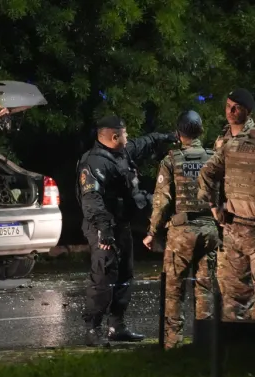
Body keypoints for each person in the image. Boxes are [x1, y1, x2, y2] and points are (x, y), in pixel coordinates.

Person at [76, 115, 178, 346]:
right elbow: (92, 200)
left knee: (124, 275)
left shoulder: (120, 153)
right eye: (124, 134)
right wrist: (104, 230)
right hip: (102, 227)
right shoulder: (94, 163)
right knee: (103, 277)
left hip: (120, 225)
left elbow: (142, 143)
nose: (128, 137)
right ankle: (92, 329)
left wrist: (166, 137)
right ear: (114, 137)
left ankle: (117, 326)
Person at [198, 102, 255, 320]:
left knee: (233, 298)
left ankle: (233, 348)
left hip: (233, 229)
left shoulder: (232, 144)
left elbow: (206, 173)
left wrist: (214, 207)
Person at [142, 110, 220, 349]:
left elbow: (162, 201)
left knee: (174, 290)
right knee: (205, 289)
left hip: (181, 233)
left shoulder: (171, 161)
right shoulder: (213, 157)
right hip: (210, 230)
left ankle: (172, 345)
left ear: (178, 134)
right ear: (201, 131)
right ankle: (205, 344)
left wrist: (151, 231)